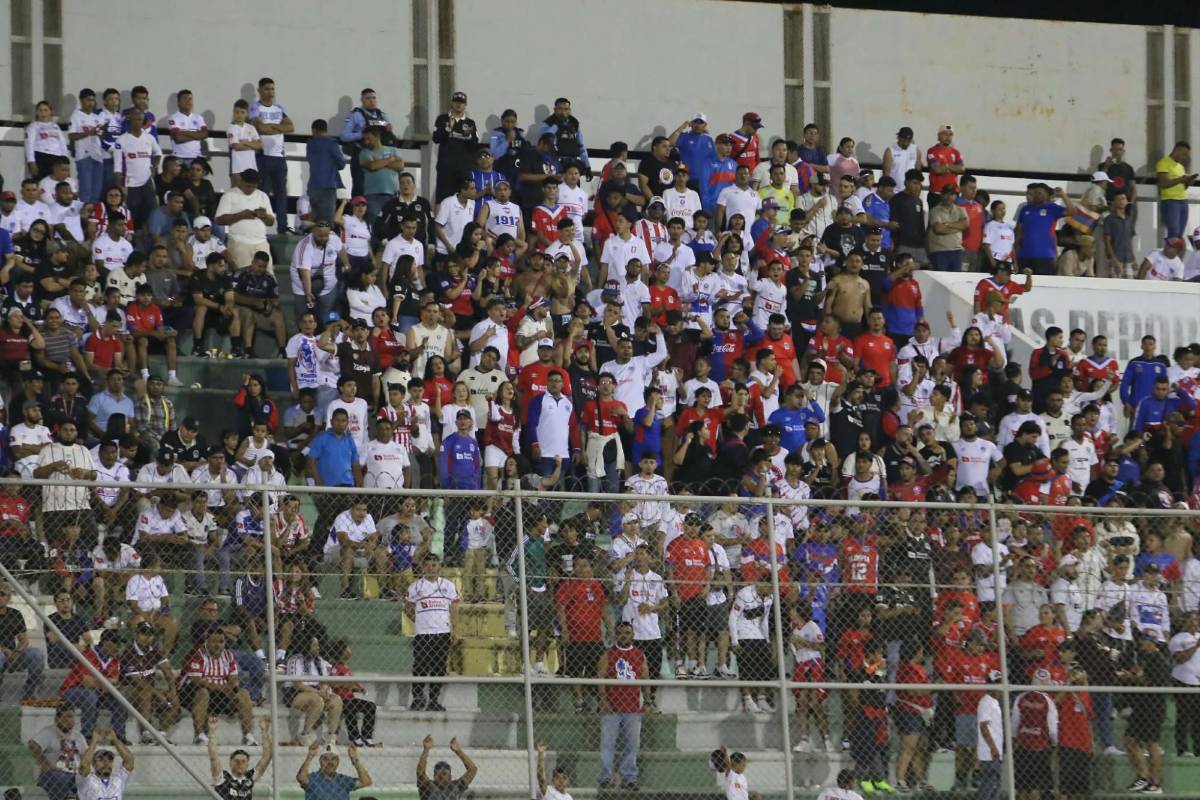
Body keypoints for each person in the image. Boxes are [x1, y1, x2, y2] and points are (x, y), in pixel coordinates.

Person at [405, 553, 460, 712]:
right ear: (423, 567)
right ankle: (417, 698)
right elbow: (408, 608)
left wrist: (455, 630)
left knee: (439, 667)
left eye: (434, 565)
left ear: (439, 567)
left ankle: (434, 700)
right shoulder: (415, 586)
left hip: (443, 633)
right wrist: (420, 621)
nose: (431, 568)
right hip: (423, 634)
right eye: (427, 565)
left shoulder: (448, 586)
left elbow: (454, 609)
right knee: (420, 667)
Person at [597, 621, 647, 791]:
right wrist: (603, 701)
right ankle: (606, 777)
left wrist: (647, 701)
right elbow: (601, 679)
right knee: (607, 744)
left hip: (632, 707)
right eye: (621, 633)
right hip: (612, 707)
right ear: (616, 635)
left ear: (633, 634)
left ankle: (629, 778)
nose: (624, 635)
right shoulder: (609, 654)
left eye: (627, 632)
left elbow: (646, 680)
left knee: (632, 745)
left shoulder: (640, 654)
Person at [28, 706, 87, 800]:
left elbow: (86, 755)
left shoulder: (79, 736)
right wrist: (44, 763)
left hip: (75, 773)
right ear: (57, 719)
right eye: (65, 717)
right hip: (54, 772)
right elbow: (33, 744)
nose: (69, 720)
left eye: (71, 717)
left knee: (90, 779)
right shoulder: (49, 731)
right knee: (60, 778)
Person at [207, 717, 272, 800]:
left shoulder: (249, 778)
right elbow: (213, 757)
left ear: (248, 764)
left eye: (243, 761)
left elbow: (267, 757)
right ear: (230, 763)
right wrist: (212, 731)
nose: (240, 763)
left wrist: (264, 731)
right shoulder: (222, 778)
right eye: (236, 761)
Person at [296, 741, 371, 800]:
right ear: (320, 761)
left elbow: (366, 781)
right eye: (325, 759)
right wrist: (310, 756)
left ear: (338, 762)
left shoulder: (343, 780)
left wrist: (354, 759)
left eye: (333, 759)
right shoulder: (313, 778)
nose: (330, 762)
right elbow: (301, 778)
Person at [75, 729, 134, 800]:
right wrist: (94, 742)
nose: (106, 763)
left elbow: (129, 760)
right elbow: (84, 765)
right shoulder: (87, 780)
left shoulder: (118, 780)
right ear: (93, 764)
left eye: (110, 759)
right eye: (101, 760)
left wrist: (115, 740)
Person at [416, 735, 477, 800]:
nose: (441, 777)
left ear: (450, 777)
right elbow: (420, 773)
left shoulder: (455, 787)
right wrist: (426, 750)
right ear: (434, 777)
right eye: (438, 775)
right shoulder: (428, 787)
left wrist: (458, 751)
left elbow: (472, 770)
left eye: (444, 774)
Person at [1156, 141, 1194, 240]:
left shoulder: (1181, 167)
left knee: (1180, 235)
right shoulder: (1164, 162)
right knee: (1174, 233)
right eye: (1184, 154)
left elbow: (1183, 187)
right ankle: (1168, 254)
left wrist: (1187, 182)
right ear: (1177, 150)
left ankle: (1176, 255)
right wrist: (1181, 179)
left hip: (1183, 201)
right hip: (1170, 201)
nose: (1185, 157)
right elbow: (1163, 183)